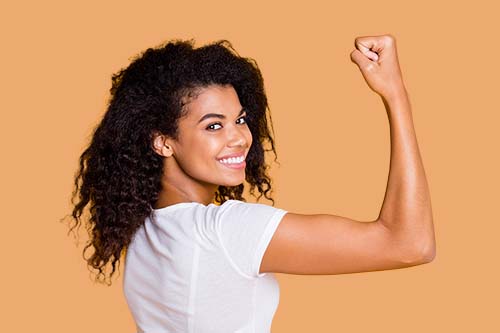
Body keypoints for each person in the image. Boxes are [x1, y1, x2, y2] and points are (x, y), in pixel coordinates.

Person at [66, 34, 436, 332]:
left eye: (240, 119)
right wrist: (396, 94)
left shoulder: (144, 227)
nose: (241, 138)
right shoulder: (224, 231)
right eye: (213, 125)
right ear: (162, 141)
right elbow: (409, 244)